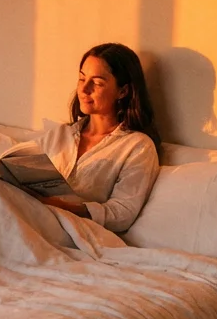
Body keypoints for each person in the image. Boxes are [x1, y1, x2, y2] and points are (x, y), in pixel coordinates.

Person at [33, 43, 161, 232]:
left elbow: (122, 213)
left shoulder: (137, 147)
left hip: (74, 231)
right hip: (31, 217)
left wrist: (67, 208)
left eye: (98, 83)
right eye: (81, 79)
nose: (84, 89)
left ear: (123, 91)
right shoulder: (61, 134)